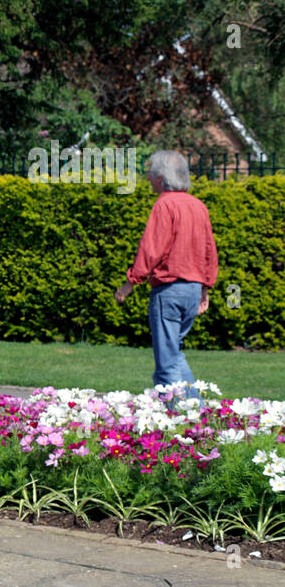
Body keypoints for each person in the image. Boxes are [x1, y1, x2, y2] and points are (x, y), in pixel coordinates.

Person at [114, 151, 218, 401]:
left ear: (162, 177)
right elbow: (209, 251)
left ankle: (181, 418)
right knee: (174, 353)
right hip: (192, 290)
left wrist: (130, 283)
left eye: (151, 172)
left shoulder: (165, 204)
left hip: (169, 290)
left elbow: (152, 248)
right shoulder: (198, 206)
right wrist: (205, 288)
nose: (148, 177)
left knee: (166, 364)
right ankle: (197, 410)